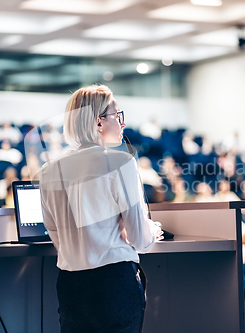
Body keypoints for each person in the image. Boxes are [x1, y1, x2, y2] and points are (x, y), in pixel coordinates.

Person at [39, 85, 162, 333]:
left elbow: (56, 236)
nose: (122, 124)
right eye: (117, 116)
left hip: (71, 285)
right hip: (114, 283)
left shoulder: (49, 170)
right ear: (98, 122)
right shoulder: (121, 161)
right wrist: (151, 229)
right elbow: (138, 239)